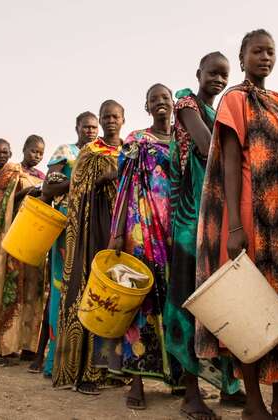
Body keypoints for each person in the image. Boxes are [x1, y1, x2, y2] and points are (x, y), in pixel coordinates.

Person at [196, 30, 278, 420]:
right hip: (250, 215)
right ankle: (254, 403)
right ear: (242, 57)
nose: (265, 57)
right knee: (248, 308)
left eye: (271, 51)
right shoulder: (236, 99)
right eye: (257, 51)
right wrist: (235, 225)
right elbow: (231, 162)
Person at [163, 52, 247, 419]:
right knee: (186, 301)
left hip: (216, 218)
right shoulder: (185, 102)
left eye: (224, 75)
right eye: (213, 72)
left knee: (221, 300)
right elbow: (205, 145)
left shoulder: (221, 110)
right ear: (198, 73)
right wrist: (237, 148)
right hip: (187, 223)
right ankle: (190, 392)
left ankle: (229, 385)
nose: (218, 79)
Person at [102, 84, 180, 410]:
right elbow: (123, 188)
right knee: (141, 300)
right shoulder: (136, 141)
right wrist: (117, 231)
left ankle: (178, 377)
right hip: (141, 228)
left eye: (165, 98)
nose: (160, 103)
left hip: (176, 229)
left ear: (174, 103)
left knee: (176, 301)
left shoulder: (183, 138)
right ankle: (136, 380)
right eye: (154, 100)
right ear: (146, 107)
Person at [52, 100, 125, 395]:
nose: (109, 122)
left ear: (123, 119)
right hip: (94, 231)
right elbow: (78, 190)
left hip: (123, 231)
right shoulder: (89, 152)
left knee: (118, 299)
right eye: (105, 117)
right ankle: (86, 372)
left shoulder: (131, 151)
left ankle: (115, 370)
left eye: (114, 117)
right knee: (90, 294)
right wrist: (106, 179)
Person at [30, 111, 99, 376]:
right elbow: (49, 188)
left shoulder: (100, 151)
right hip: (65, 228)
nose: (91, 131)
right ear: (77, 128)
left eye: (94, 128)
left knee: (86, 292)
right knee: (61, 290)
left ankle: (82, 362)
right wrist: (78, 181)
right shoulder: (65, 150)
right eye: (86, 127)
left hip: (91, 228)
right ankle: (55, 363)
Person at [0, 135, 46, 363]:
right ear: (23, 150)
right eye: (33, 151)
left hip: (29, 239)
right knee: (2, 288)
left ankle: (22, 344)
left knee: (30, 291)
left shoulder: (41, 177)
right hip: (7, 239)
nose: (37, 156)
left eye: (41, 153)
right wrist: (25, 193)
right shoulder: (11, 171)